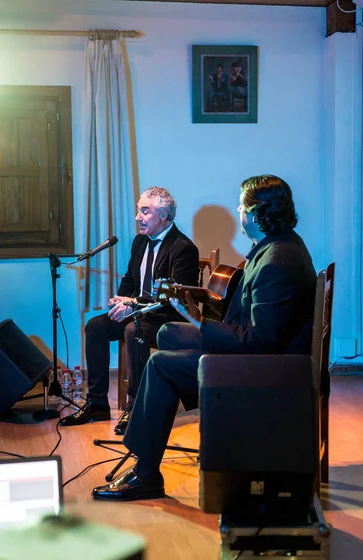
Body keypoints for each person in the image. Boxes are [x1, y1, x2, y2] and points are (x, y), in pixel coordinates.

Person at [92, 175, 317, 501]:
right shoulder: (279, 246)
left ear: (256, 213)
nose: (238, 210)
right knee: (167, 333)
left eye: (242, 205)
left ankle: (146, 474)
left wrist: (202, 322)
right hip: (269, 356)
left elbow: (260, 344)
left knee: (159, 365)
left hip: (269, 370)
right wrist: (202, 314)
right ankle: (178, 416)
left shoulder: (276, 263)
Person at [60, 186, 199, 432]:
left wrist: (132, 305)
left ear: (164, 215)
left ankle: (135, 408)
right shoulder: (139, 241)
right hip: (138, 313)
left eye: (145, 211)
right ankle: (97, 403)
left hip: (167, 320)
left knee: (134, 331)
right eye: (138, 211)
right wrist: (121, 299)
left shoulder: (183, 248)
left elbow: (171, 300)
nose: (138, 217)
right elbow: (130, 280)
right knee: (95, 327)